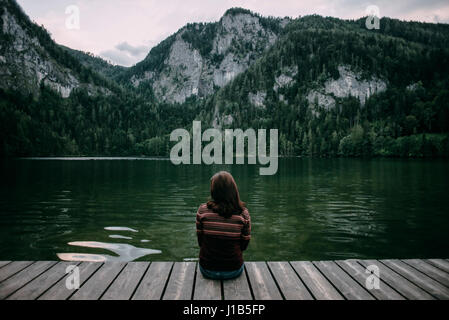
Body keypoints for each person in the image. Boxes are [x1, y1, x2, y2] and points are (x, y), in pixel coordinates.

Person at [196, 171, 251, 280]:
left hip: (207, 269)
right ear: (233, 189)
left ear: (213, 190)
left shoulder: (202, 210)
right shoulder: (243, 213)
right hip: (234, 270)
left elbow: (200, 241)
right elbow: (244, 244)